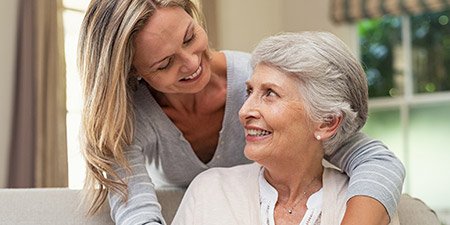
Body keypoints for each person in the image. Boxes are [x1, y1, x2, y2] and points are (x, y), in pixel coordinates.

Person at [77, 0, 405, 224]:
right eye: (164, 63)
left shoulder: (258, 79)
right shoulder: (128, 118)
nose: (192, 63)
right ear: (134, 72)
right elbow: (137, 214)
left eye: (190, 38)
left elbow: (374, 160)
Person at [171, 31, 401, 225]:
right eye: (250, 92)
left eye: (270, 93)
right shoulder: (210, 190)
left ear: (328, 122)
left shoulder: (361, 202)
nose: (243, 111)